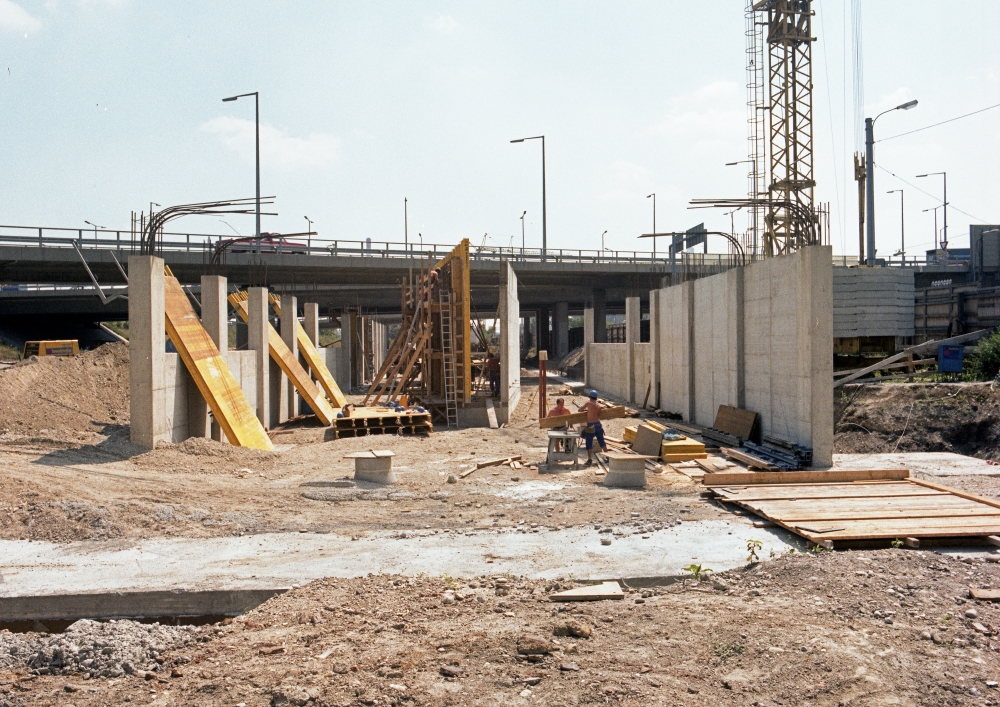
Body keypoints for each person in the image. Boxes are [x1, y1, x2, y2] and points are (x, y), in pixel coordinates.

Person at [581, 390, 607, 465]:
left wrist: (587, 411)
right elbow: (598, 415)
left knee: (589, 442)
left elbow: (580, 410)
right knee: (601, 441)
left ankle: (589, 459)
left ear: (590, 396)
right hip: (598, 425)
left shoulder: (588, 403)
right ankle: (608, 457)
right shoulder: (599, 406)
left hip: (590, 426)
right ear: (596, 397)